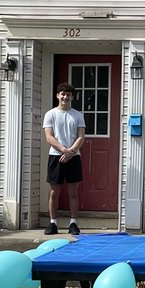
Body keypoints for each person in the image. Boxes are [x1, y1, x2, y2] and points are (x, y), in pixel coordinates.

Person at [43, 82, 86, 236]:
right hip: (56, 157)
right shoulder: (50, 114)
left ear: (72, 97)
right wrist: (63, 150)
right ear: (57, 95)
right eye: (62, 94)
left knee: (73, 192)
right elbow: (49, 136)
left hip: (73, 157)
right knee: (54, 192)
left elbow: (81, 136)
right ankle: (53, 223)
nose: (65, 97)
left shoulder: (77, 115)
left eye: (68, 94)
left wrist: (71, 152)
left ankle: (73, 223)